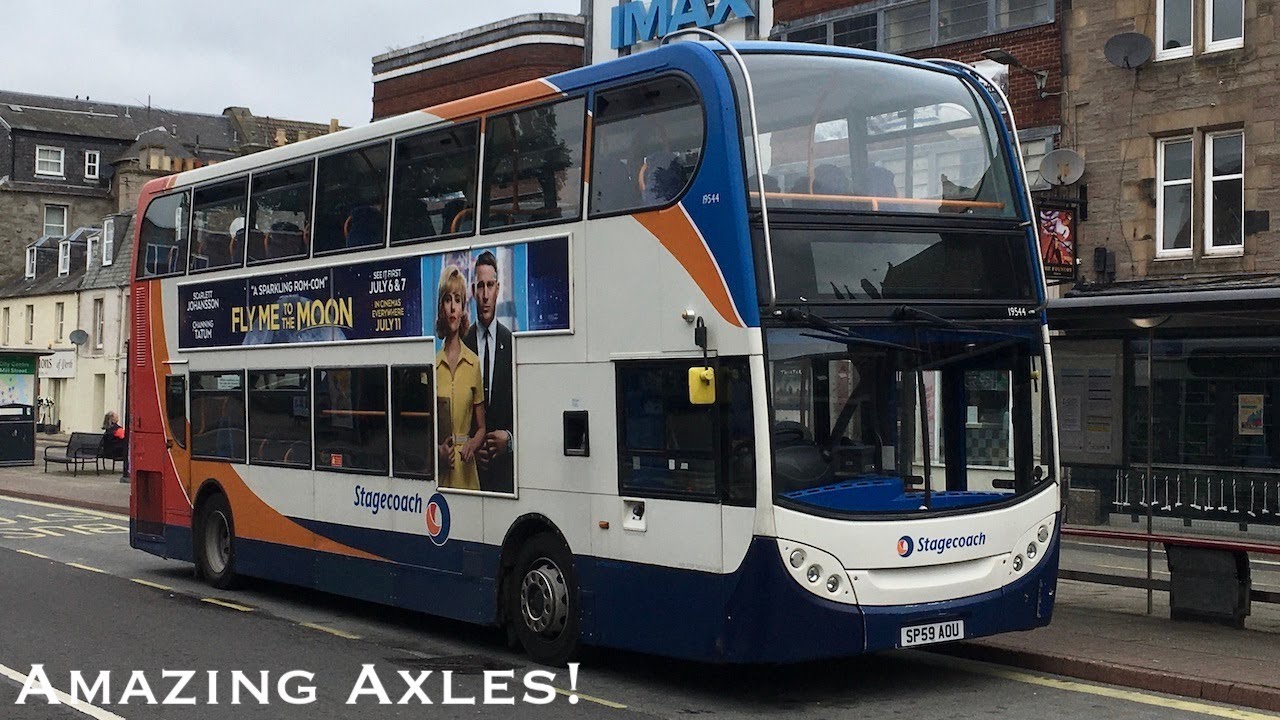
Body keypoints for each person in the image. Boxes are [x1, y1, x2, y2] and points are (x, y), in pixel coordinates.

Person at [463, 251, 515, 494]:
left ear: (498, 289)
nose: (485, 295)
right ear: (473, 291)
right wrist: (471, 445)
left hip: (508, 478)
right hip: (470, 475)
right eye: (480, 286)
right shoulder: (461, 344)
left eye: (490, 286)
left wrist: (510, 440)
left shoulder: (512, 342)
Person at [435, 264, 485, 491]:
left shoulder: (473, 363)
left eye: (458, 300)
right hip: (440, 474)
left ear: (464, 307)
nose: (453, 307)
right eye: (447, 299)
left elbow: (482, 428)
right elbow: (421, 431)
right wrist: (438, 452)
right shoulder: (431, 366)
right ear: (441, 307)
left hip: (466, 473)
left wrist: (473, 444)